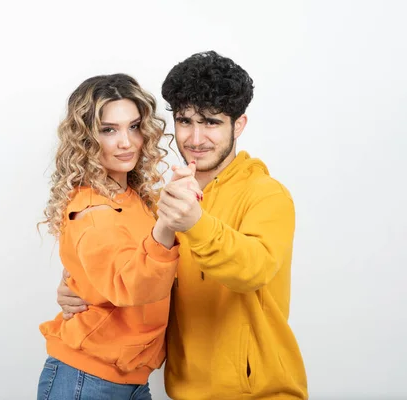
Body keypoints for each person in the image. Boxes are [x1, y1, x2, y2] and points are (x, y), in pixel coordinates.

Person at [57, 52, 309, 399]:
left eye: (211, 122)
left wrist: (195, 224)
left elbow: (254, 268)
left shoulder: (266, 194)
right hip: (183, 391)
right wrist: (78, 286)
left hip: (259, 393)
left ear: (238, 125)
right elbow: (138, 272)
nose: (194, 137)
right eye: (185, 121)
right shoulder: (165, 201)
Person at [36, 73, 202, 400]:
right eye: (108, 130)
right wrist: (167, 225)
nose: (126, 142)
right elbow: (132, 284)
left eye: (135, 126)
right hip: (87, 379)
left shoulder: (134, 198)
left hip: (128, 380)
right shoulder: (92, 210)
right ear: (85, 138)